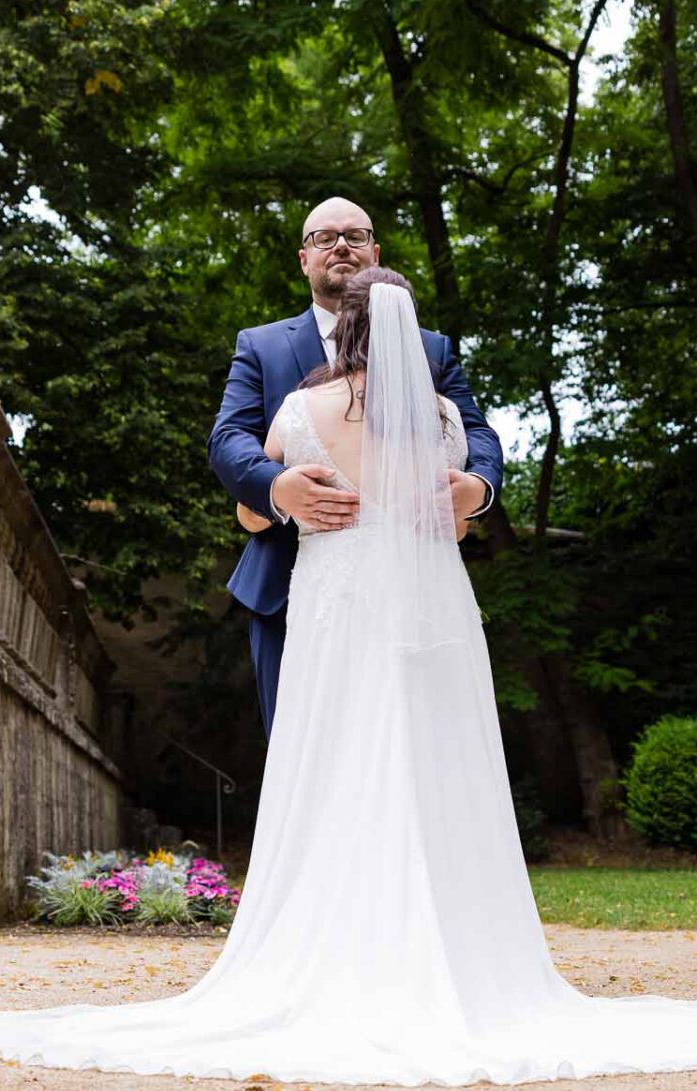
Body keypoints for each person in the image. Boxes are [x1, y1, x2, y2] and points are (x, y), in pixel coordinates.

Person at [0, 269, 697, 1086]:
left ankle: (328, 947)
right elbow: (448, 506)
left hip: (337, 607)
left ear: (350, 327)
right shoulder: (433, 417)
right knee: (436, 763)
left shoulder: (304, 413)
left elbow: (257, 515)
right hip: (428, 608)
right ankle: (455, 950)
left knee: (333, 762)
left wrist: (288, 496)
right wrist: (440, 500)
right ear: (408, 336)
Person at [206, 197, 504, 736]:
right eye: (325, 237)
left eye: (355, 235)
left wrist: (478, 488)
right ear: (304, 259)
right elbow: (228, 438)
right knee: (302, 753)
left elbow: (477, 431)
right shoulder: (262, 345)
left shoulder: (431, 349)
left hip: (414, 589)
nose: (341, 245)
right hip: (288, 587)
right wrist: (277, 488)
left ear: (375, 252)